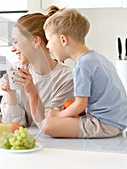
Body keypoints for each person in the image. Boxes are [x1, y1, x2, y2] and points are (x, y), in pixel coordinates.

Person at [43, 7, 127, 138]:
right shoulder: (97, 58)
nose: (47, 46)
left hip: (105, 124)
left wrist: (58, 115)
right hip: (119, 121)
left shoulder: (82, 65)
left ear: (63, 40)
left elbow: (80, 105)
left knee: (48, 126)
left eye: (48, 40)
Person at [0, 6, 74, 128]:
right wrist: (10, 93)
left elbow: (50, 125)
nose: (13, 49)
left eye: (16, 42)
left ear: (35, 41)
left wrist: (32, 92)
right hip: (25, 144)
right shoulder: (18, 71)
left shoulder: (66, 79)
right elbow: (14, 126)